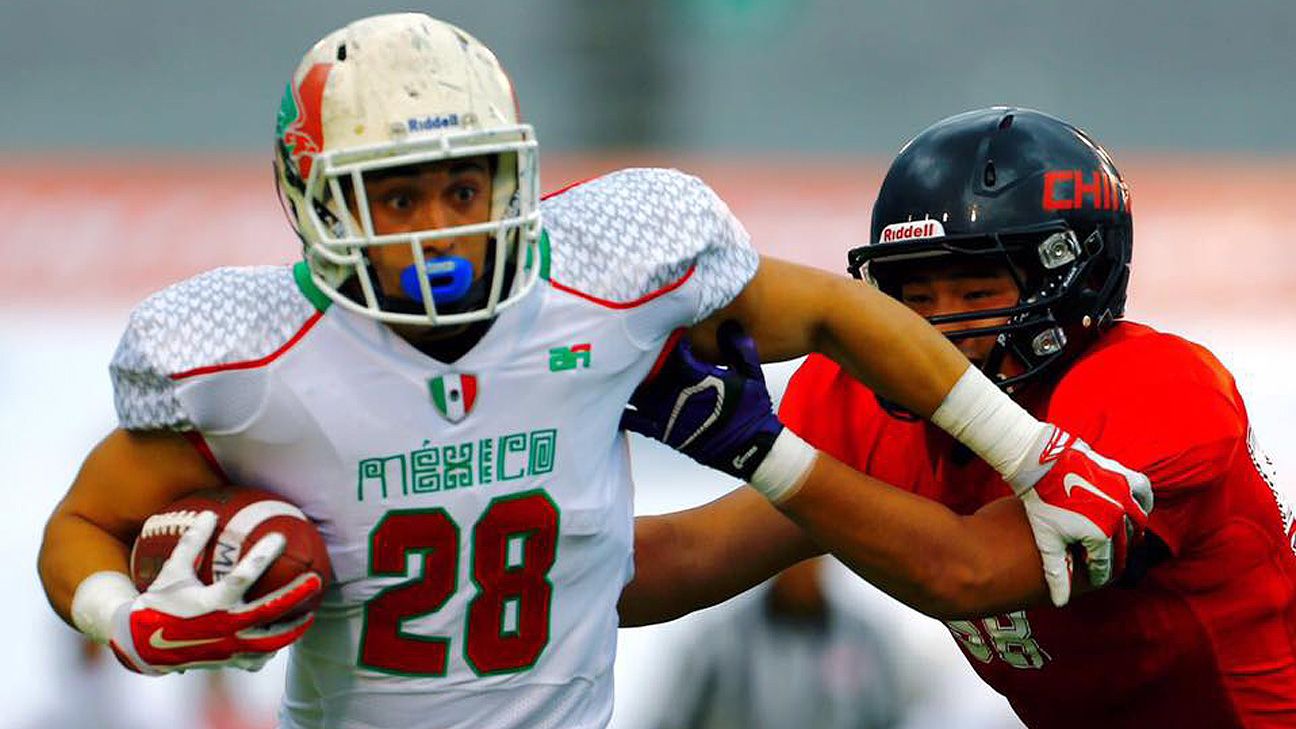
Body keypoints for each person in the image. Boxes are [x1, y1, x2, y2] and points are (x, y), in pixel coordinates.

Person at [35, 13, 1146, 727]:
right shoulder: (250, 357)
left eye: (463, 190)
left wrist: (1026, 451)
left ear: (513, 179)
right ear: (320, 201)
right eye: (399, 196)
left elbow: (840, 311)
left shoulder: (607, 270)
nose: (436, 231)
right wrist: (126, 620)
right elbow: (79, 527)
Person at [620, 108, 1296, 728]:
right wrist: (532, 558)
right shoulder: (860, 397)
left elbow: (966, 570)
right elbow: (690, 554)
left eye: (976, 291)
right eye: (917, 296)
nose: (941, 326)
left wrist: (763, 452)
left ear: (1074, 281)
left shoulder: (1162, 389)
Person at [652, 557, 907, 729]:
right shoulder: (718, 641)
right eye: (789, 553)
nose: (800, 565)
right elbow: (671, 720)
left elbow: (892, 719)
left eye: (810, 550)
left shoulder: (864, 641)